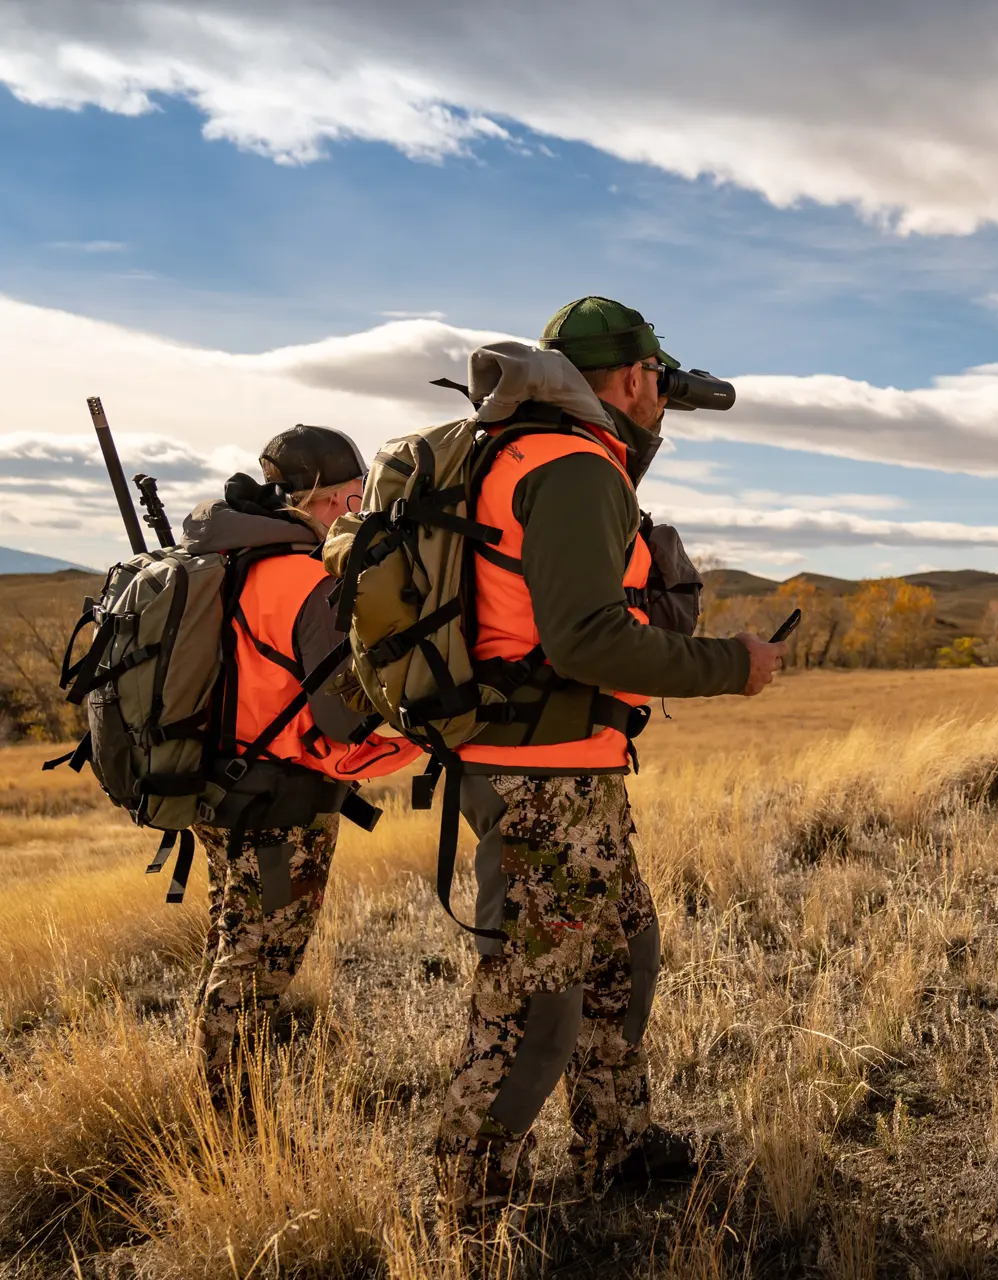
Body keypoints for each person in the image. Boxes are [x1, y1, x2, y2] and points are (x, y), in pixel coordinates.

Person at [435, 297, 783, 1222]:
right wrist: (731, 666)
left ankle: (614, 1146)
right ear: (632, 379)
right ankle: (466, 1207)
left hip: (566, 767)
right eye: (658, 384)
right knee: (533, 1004)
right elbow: (587, 639)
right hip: (541, 775)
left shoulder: (529, 451)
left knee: (623, 954)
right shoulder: (574, 464)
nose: (663, 402)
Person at [189, 425, 418, 1105]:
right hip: (280, 804)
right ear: (328, 498)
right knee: (256, 970)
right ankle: (230, 1127)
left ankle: (218, 1109)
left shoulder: (233, 560)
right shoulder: (303, 578)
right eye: (355, 497)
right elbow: (344, 717)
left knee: (232, 947)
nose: (358, 510)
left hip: (222, 786)